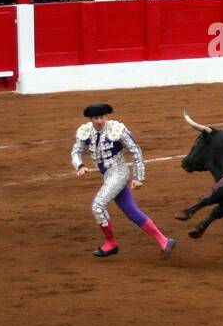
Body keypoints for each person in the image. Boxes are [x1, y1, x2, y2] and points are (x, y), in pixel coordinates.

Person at [71, 102, 175, 259]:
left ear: (107, 116)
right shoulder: (85, 131)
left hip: (119, 172)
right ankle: (164, 241)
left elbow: (135, 151)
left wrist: (138, 177)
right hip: (108, 175)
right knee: (131, 211)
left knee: (98, 206)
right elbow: (76, 151)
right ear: (91, 119)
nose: (99, 121)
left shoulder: (116, 129)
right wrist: (79, 165)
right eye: (96, 118)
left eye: (102, 117)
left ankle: (111, 243)